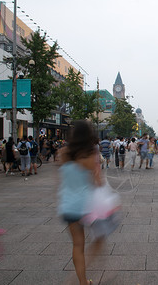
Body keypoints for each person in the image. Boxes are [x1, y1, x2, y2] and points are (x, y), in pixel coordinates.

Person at [57, 121, 103, 285]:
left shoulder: (63, 153)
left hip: (68, 205)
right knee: (100, 239)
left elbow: (62, 179)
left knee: (78, 245)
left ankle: (82, 282)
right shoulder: (90, 155)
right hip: (87, 206)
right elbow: (98, 182)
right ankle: (85, 270)